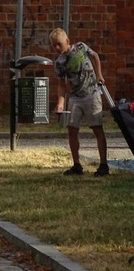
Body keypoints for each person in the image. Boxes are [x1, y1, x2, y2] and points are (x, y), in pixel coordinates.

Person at [49, 28, 108, 177]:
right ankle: (76, 164)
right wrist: (61, 103)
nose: (57, 48)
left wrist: (99, 74)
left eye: (59, 44)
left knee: (97, 128)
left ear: (67, 41)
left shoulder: (81, 47)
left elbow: (95, 56)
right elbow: (62, 85)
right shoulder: (60, 63)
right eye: (53, 45)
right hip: (75, 97)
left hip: (91, 93)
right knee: (72, 129)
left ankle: (103, 164)